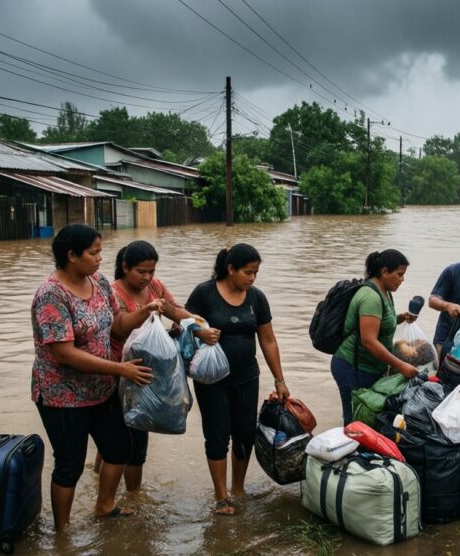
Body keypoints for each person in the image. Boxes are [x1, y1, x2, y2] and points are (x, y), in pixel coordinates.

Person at [31, 224, 154, 530]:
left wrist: (146, 312)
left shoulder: (98, 281)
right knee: (70, 464)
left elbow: (117, 324)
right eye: (93, 252)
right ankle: (62, 532)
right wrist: (120, 369)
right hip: (62, 396)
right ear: (72, 255)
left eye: (100, 251)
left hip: (101, 388)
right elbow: (64, 353)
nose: (100, 258)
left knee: (119, 448)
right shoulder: (51, 295)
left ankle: (104, 506)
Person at [184, 244, 290, 516]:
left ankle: (238, 489)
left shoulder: (257, 298)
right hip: (212, 380)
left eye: (256, 273)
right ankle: (221, 496)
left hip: (247, 377)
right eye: (248, 272)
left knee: (244, 435)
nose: (252, 278)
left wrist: (279, 380)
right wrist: (199, 332)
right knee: (217, 435)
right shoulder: (204, 293)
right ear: (230, 269)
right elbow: (181, 325)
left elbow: (268, 340)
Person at [94, 240, 196, 492]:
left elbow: (175, 310)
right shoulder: (113, 292)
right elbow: (119, 328)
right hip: (121, 372)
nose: (147, 277)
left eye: (151, 271)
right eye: (141, 271)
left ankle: (98, 479)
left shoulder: (155, 286)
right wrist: (148, 309)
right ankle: (133, 498)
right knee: (133, 439)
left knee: (122, 435)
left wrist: (196, 324)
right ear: (125, 267)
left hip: (148, 372)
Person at [331, 250, 420, 424]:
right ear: (384, 272)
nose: (402, 279)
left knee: (367, 416)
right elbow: (369, 341)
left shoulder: (384, 292)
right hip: (352, 367)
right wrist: (401, 366)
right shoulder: (370, 297)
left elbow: (380, 324)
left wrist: (400, 318)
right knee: (356, 420)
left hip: (369, 367)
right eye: (399, 274)